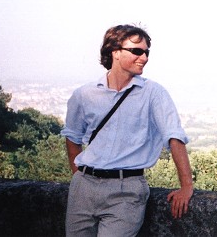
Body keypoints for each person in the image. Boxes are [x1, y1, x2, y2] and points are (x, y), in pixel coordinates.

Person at [61, 24, 193, 237]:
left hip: (126, 190)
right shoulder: (84, 95)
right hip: (83, 188)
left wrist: (186, 186)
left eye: (146, 52)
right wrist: (79, 177)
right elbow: (72, 137)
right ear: (115, 52)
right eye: (137, 51)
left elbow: (174, 136)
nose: (144, 57)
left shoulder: (153, 94)